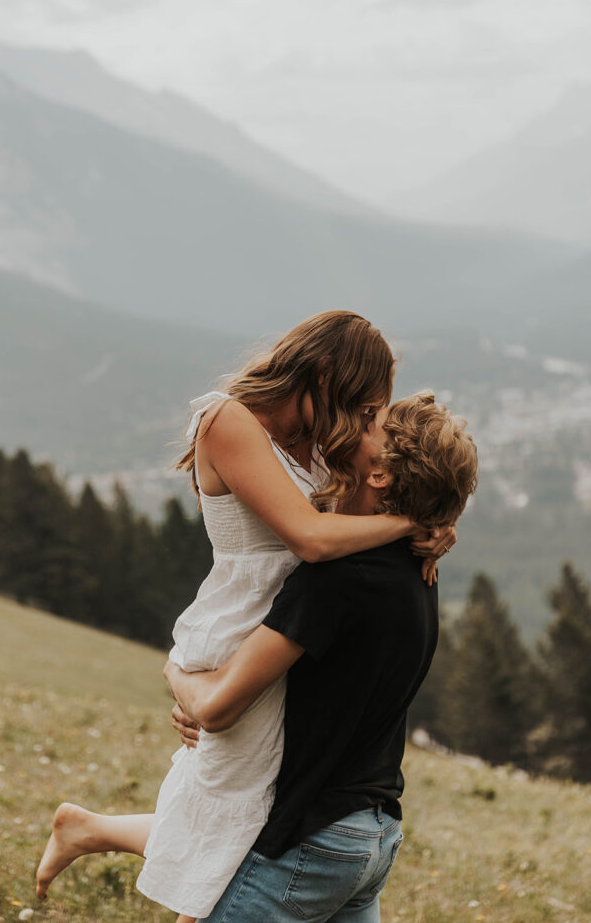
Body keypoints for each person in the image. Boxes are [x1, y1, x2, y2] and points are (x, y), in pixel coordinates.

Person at [35, 312, 455, 921]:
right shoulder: (227, 420)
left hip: (289, 629)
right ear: (324, 373)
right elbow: (312, 538)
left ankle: (89, 828)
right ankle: (91, 832)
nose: (364, 426)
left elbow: (353, 511)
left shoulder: (315, 440)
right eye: (362, 409)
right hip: (243, 630)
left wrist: (436, 523)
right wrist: (410, 525)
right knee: (242, 820)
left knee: (250, 814)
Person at [165, 392, 478, 922]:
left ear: (380, 474)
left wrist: (177, 670)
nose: (354, 423)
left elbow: (217, 709)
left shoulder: (334, 581)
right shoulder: (416, 564)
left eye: (371, 424)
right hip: (374, 835)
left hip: (311, 842)